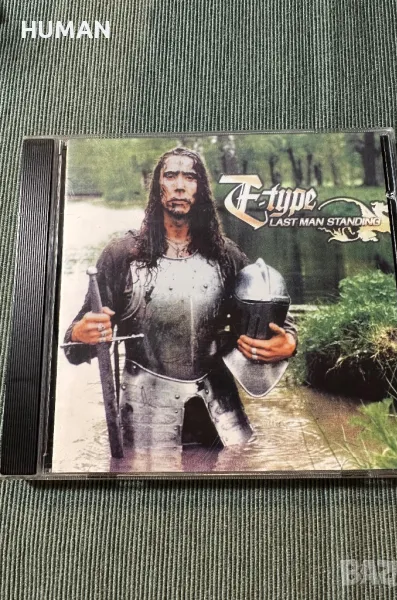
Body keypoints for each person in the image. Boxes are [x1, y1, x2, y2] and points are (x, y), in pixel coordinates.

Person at [64, 147, 296, 451]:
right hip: (145, 421)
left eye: (190, 177)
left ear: (201, 189)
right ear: (156, 186)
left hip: (222, 419)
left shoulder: (226, 256)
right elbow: (73, 349)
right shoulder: (121, 256)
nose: (180, 186)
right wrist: (81, 334)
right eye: (171, 175)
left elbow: (275, 315)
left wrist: (288, 343)